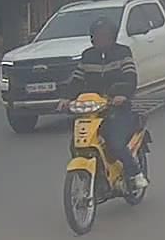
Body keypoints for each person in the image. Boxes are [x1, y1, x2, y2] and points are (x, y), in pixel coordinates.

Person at [62, 18, 147, 190]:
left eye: (105, 36)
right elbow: (76, 81)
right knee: (76, 143)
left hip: (117, 109)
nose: (101, 39)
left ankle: (135, 173)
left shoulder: (123, 52)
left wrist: (122, 95)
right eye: (97, 36)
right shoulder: (87, 56)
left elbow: (131, 78)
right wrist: (66, 98)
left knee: (115, 143)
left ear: (112, 37)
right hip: (92, 110)